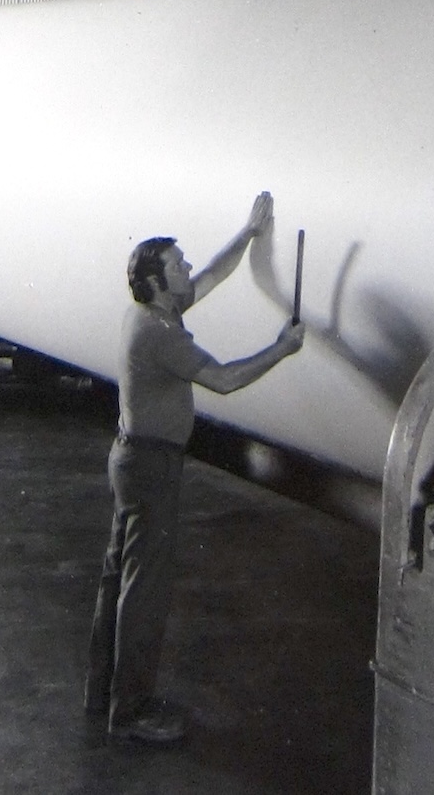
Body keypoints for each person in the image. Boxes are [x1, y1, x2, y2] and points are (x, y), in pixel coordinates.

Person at [85, 190, 304, 745]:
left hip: (132, 460)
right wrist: (281, 349)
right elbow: (225, 379)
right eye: (177, 266)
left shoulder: (148, 314)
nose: (187, 269)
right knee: (145, 591)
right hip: (152, 467)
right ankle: (131, 712)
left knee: (119, 581)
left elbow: (210, 276)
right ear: (158, 283)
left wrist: (248, 234)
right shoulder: (160, 335)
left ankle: (104, 695)